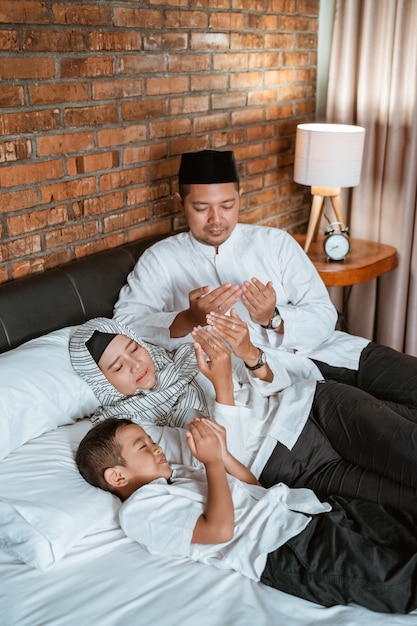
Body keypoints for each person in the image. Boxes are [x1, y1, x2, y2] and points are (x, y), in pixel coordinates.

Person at [113, 148, 417, 420]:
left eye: (228, 205)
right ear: (181, 203)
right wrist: (187, 319)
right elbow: (123, 325)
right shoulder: (160, 259)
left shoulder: (275, 243)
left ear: (239, 197)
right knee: (395, 429)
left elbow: (325, 315)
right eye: (202, 207)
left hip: (338, 352)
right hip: (281, 384)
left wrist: (273, 319)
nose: (216, 219)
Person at [69, 316, 417, 514]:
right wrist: (221, 386)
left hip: (315, 408)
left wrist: (251, 356)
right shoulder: (132, 430)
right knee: (402, 504)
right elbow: (219, 458)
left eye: (134, 348)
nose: (136, 365)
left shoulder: (190, 353)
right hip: (289, 469)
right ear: (103, 383)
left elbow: (277, 382)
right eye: (118, 367)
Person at [76, 416, 417, 614]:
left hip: (310, 510)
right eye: (143, 447)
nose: (157, 446)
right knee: (397, 582)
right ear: (117, 477)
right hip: (287, 549)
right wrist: (210, 463)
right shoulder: (140, 512)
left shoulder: (177, 475)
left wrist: (222, 455)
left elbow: (253, 487)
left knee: (404, 526)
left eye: (151, 439)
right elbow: (220, 530)